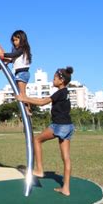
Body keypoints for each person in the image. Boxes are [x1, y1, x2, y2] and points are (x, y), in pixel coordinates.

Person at [16, 66, 74, 196]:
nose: (52, 80)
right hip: (69, 126)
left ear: (61, 80)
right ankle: (66, 188)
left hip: (59, 126)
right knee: (66, 158)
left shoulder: (60, 92)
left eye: (54, 78)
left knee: (36, 140)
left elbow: (42, 102)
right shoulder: (66, 92)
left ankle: (40, 170)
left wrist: (24, 99)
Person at [0, 30, 32, 115]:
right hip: (19, 73)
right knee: (20, 93)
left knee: (22, 94)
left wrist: (1, 54)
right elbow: (13, 59)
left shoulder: (23, 49)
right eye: (13, 40)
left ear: (22, 39)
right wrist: (3, 64)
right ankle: (26, 108)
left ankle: (27, 109)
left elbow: (13, 55)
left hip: (22, 73)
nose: (14, 42)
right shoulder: (18, 51)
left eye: (16, 40)